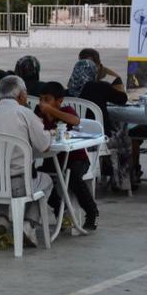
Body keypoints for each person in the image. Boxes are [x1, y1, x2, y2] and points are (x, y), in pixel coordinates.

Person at [0, 76, 54, 247]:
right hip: (18, 185)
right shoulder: (25, 114)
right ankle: (28, 224)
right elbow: (44, 145)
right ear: (22, 95)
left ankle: (0, 220)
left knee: (0, 175)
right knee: (46, 180)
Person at [35, 81, 99, 230]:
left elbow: (75, 121)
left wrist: (52, 111)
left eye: (47, 100)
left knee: (73, 178)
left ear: (59, 101)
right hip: (52, 158)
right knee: (38, 179)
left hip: (76, 158)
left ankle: (91, 211)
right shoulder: (39, 114)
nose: (42, 103)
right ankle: (61, 210)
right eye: (41, 99)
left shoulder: (67, 111)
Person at [69, 59, 132, 190]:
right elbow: (122, 99)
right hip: (99, 137)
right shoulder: (98, 86)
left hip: (75, 138)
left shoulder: (68, 90)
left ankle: (104, 173)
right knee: (125, 137)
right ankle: (121, 181)